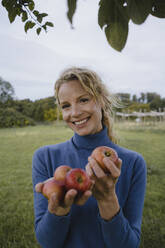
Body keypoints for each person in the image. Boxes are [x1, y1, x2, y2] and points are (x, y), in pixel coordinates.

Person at [32, 67, 147, 248]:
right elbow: (47, 242)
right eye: (66, 106)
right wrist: (58, 211)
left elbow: (129, 244)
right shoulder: (45, 157)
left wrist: (107, 199)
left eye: (83, 100)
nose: (75, 112)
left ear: (101, 101)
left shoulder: (133, 163)